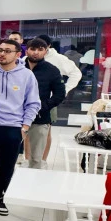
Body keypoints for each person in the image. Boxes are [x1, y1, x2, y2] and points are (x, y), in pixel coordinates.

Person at [0, 39, 41, 216]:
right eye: (0, 50)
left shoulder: (27, 75)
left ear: (18, 54)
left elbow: (33, 103)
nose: (2, 54)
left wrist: (24, 127)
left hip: (12, 127)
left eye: (7, 51)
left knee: (6, 166)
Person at [36, 34, 82, 163]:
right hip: (29, 101)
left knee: (46, 131)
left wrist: (63, 90)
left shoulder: (58, 59)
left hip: (48, 100)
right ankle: (28, 159)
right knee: (28, 131)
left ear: (48, 46)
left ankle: (43, 160)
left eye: (41, 47)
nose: (37, 50)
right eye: (34, 47)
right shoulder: (28, 58)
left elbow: (76, 73)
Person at [24, 38, 65, 169]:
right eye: (32, 49)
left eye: (40, 49)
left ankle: (34, 180)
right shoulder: (17, 67)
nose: (36, 52)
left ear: (46, 52)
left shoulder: (52, 70)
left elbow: (60, 94)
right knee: (9, 155)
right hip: (14, 117)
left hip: (40, 118)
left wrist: (43, 107)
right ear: (26, 50)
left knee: (36, 159)